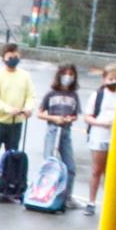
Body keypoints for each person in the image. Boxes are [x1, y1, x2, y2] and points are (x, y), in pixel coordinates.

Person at [0, 43, 33, 199]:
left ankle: (11, 185)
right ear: (3, 58)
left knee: (13, 155)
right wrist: (8, 109)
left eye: (16, 56)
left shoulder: (25, 76)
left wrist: (28, 108)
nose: (13, 59)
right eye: (10, 57)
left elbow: (30, 96)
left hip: (16, 123)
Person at [37, 64, 83, 207]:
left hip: (66, 131)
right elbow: (40, 113)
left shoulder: (74, 95)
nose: (68, 77)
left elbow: (75, 115)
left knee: (70, 166)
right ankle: (44, 194)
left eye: (71, 74)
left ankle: (67, 197)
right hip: (52, 130)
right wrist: (53, 118)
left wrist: (70, 119)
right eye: (65, 74)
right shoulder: (51, 94)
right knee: (49, 164)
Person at [83, 63, 116, 214]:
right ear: (104, 79)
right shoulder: (98, 95)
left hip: (115, 138)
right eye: (110, 78)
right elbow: (87, 116)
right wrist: (101, 123)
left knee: (111, 172)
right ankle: (91, 202)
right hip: (99, 136)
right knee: (97, 170)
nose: (114, 82)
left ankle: (110, 203)